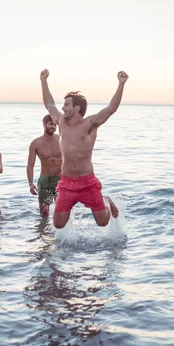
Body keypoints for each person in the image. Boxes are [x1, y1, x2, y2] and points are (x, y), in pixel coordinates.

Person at [39, 68, 128, 228]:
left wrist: (121, 84)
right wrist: (43, 81)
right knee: (58, 224)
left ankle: (106, 200)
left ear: (77, 108)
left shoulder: (89, 124)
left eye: (66, 105)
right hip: (66, 182)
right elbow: (49, 104)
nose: (63, 108)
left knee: (102, 222)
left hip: (87, 182)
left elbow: (111, 109)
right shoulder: (61, 122)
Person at [27, 114, 62, 217]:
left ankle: (59, 232)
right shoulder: (36, 143)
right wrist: (30, 183)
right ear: (44, 124)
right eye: (51, 124)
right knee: (44, 213)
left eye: (55, 125)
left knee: (62, 210)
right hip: (45, 180)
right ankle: (43, 232)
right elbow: (30, 165)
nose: (53, 127)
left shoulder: (61, 139)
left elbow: (69, 158)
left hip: (60, 179)